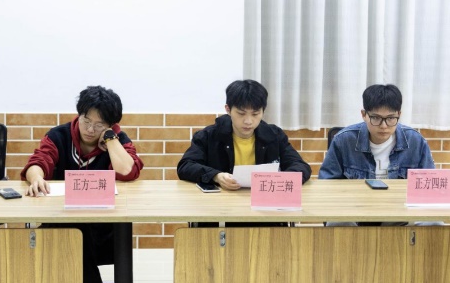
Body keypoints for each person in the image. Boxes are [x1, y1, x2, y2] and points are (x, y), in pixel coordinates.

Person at [21, 85, 143, 283]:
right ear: (79, 115)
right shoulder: (59, 136)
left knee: (76, 232)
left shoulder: (117, 141)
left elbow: (127, 170)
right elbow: (39, 161)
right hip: (63, 221)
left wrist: (110, 139)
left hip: (104, 229)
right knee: (73, 228)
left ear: (110, 125)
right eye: (86, 121)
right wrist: (36, 178)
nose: (90, 129)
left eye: (99, 125)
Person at [319, 84, 436, 226]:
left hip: (400, 213)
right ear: (364, 114)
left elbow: (429, 189)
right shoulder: (344, 140)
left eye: (391, 118)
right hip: (356, 212)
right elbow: (326, 184)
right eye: (376, 118)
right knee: (337, 223)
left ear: (399, 114)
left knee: (433, 223)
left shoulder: (415, 141)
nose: (384, 126)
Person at [177, 79, 312, 190]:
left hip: (264, 203)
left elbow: (300, 166)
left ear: (263, 111)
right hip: (222, 205)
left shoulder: (274, 135)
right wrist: (216, 176)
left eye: (255, 114)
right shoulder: (208, 135)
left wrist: (279, 181)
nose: (248, 121)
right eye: (241, 114)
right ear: (228, 109)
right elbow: (186, 166)